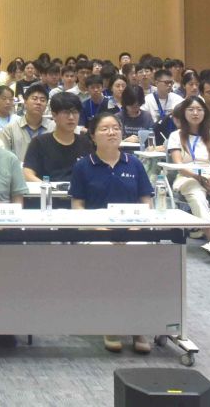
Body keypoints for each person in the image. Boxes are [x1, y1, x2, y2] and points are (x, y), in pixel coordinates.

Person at [67, 113, 157, 354]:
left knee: (142, 262)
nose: (112, 132)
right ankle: (112, 324)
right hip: (95, 234)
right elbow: (78, 207)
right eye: (105, 128)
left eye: (116, 128)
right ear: (93, 135)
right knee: (109, 260)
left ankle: (138, 327)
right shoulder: (83, 166)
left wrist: (136, 230)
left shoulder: (134, 163)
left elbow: (146, 202)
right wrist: (99, 229)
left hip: (133, 232)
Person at [166, 96, 210, 260]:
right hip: (187, 175)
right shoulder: (176, 135)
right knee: (197, 198)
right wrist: (197, 177)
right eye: (191, 110)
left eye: (199, 109)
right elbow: (178, 164)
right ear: (184, 113)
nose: (195, 113)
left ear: (205, 113)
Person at [23, 92, 94, 184]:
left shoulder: (85, 142)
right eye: (66, 112)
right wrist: (48, 187)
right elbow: (27, 174)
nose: (71, 117)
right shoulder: (39, 142)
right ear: (54, 115)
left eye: (75, 112)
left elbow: (94, 172)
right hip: (48, 190)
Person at [0, 83, 51, 158]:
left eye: (42, 100)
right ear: (25, 102)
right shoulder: (10, 129)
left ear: (46, 105)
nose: (38, 102)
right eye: (34, 99)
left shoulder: (54, 128)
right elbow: (3, 156)